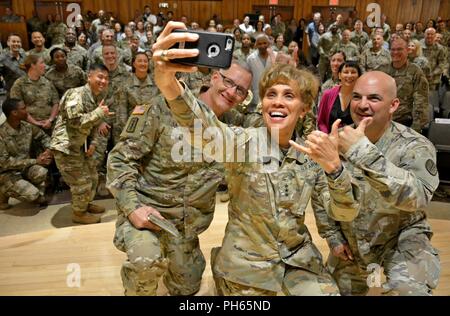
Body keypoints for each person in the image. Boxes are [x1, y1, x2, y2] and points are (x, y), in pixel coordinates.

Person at [151, 21, 359, 296]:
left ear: (304, 107)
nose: (277, 102)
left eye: (289, 95)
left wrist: (335, 170)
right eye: (271, 94)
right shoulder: (243, 143)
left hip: (297, 262)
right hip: (245, 267)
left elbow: (343, 212)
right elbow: (205, 131)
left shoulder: (313, 155)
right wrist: (169, 83)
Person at [107, 55, 253, 295]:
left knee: (187, 287)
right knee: (147, 263)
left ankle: (178, 258)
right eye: (228, 82)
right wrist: (133, 208)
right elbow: (120, 159)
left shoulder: (234, 125)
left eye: (241, 90)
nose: (232, 92)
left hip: (186, 226)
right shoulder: (161, 106)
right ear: (214, 77)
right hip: (148, 214)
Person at [293, 71, 440, 295]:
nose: (362, 105)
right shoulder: (336, 140)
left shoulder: (415, 145)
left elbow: (417, 197)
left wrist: (362, 151)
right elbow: (320, 193)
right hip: (351, 240)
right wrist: (333, 237)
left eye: (373, 98)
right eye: (356, 97)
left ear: (393, 105)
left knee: (407, 290)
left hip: (400, 238)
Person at [50, 64, 112, 225]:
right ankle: (79, 213)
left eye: (106, 78)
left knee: (92, 176)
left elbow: (93, 124)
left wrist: (92, 143)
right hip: (65, 147)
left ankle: (85, 203)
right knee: (81, 183)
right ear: (89, 77)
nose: (103, 81)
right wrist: (99, 113)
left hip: (78, 146)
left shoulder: (94, 97)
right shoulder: (76, 94)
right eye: (100, 76)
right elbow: (75, 121)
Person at [0, 98, 52, 210]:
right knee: (33, 196)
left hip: (25, 168)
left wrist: (48, 150)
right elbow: (5, 163)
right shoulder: (1, 134)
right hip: (7, 173)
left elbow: (43, 137)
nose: (27, 110)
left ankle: (30, 190)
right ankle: (2, 191)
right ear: (14, 113)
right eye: (23, 108)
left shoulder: (26, 126)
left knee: (42, 173)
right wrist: (36, 161)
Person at [379, 37, 429, 133]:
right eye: (393, 49)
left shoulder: (415, 71)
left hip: (405, 124)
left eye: (399, 49)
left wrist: (416, 127)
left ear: (407, 51)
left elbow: (421, 101)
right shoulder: (382, 70)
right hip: (383, 122)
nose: (395, 52)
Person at [10, 55, 59, 131]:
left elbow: (56, 102)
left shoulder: (47, 82)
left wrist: (50, 120)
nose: (44, 66)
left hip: (50, 124)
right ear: (33, 65)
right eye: (42, 63)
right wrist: (36, 123)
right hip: (29, 127)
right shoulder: (19, 84)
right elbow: (17, 108)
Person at [317, 61, 362, 133]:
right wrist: (328, 137)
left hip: (353, 140)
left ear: (359, 76)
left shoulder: (362, 97)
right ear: (339, 75)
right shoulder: (327, 94)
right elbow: (321, 122)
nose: (349, 75)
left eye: (353, 72)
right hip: (329, 139)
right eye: (346, 72)